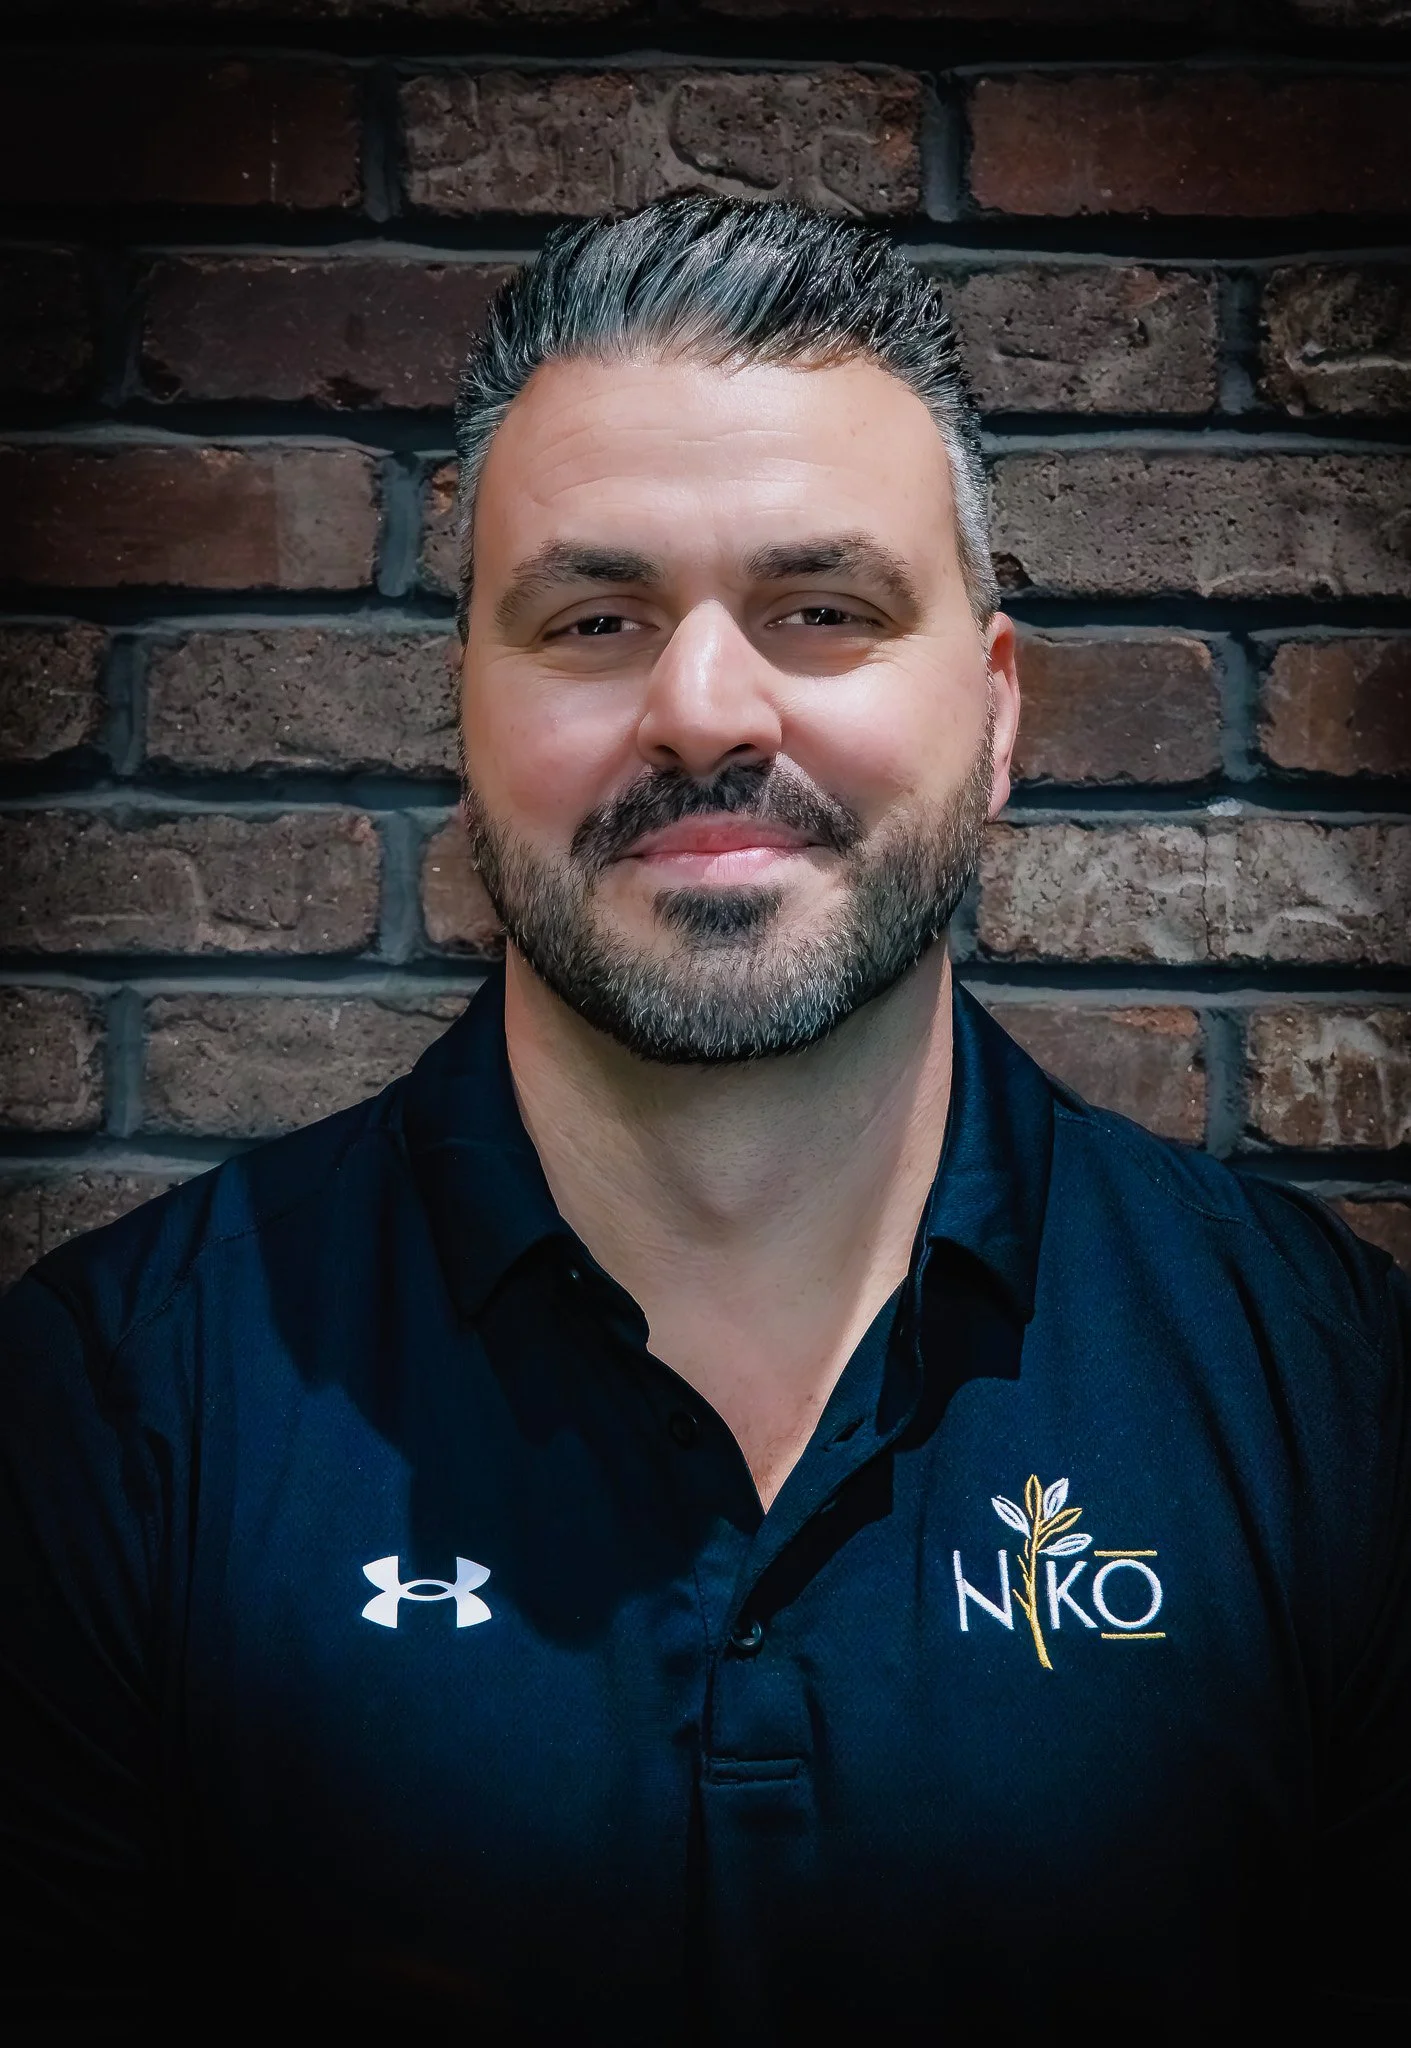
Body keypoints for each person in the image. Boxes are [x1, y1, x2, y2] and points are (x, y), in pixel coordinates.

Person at [1, 196, 1407, 2044]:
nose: (703, 709)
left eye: (822, 610)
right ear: (463, 713)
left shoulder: (1330, 1403)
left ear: (995, 715)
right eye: (595, 618)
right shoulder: (113, 1414)